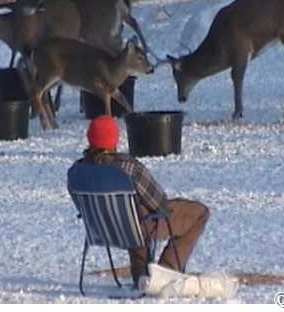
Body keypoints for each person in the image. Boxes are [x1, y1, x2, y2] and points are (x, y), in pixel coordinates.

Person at [69, 115, 210, 286]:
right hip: (136, 228)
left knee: (132, 214)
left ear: (90, 139)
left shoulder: (76, 172)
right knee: (199, 213)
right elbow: (160, 204)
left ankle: (141, 275)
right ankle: (167, 272)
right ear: (114, 139)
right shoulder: (128, 168)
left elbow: (83, 208)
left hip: (101, 230)